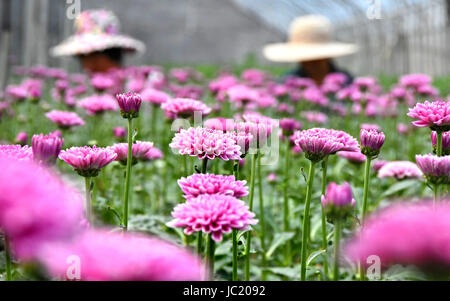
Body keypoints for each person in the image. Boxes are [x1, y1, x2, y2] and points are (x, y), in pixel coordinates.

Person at [263, 15, 357, 86]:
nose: (310, 64)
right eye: (305, 60)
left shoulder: (347, 81)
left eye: (316, 60)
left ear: (328, 56)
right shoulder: (287, 82)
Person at [50, 10, 145, 73]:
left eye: (94, 57)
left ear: (112, 53)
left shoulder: (133, 84)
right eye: (83, 57)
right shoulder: (84, 88)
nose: (89, 66)